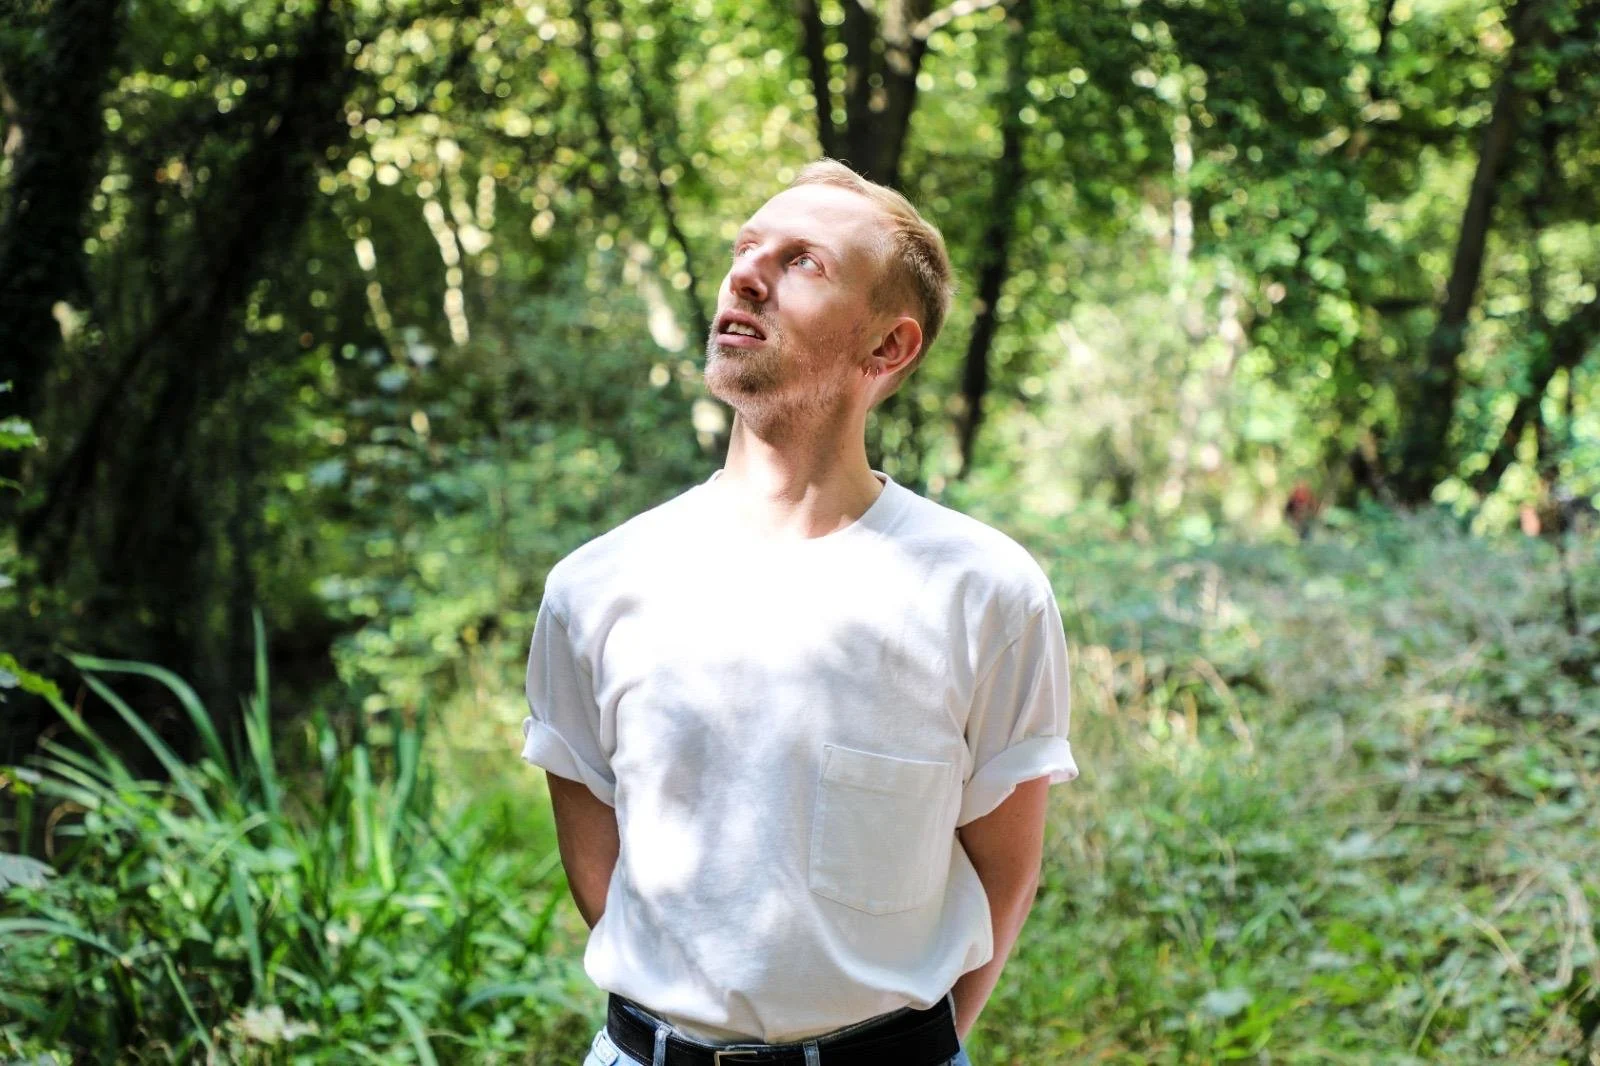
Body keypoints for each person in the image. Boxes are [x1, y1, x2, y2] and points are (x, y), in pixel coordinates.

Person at [521, 158, 1080, 1066]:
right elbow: (602, 868)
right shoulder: (595, 587)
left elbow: (1004, 873)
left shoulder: (986, 592)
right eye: (745, 248)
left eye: (802, 262)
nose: (746, 274)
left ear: (887, 349)